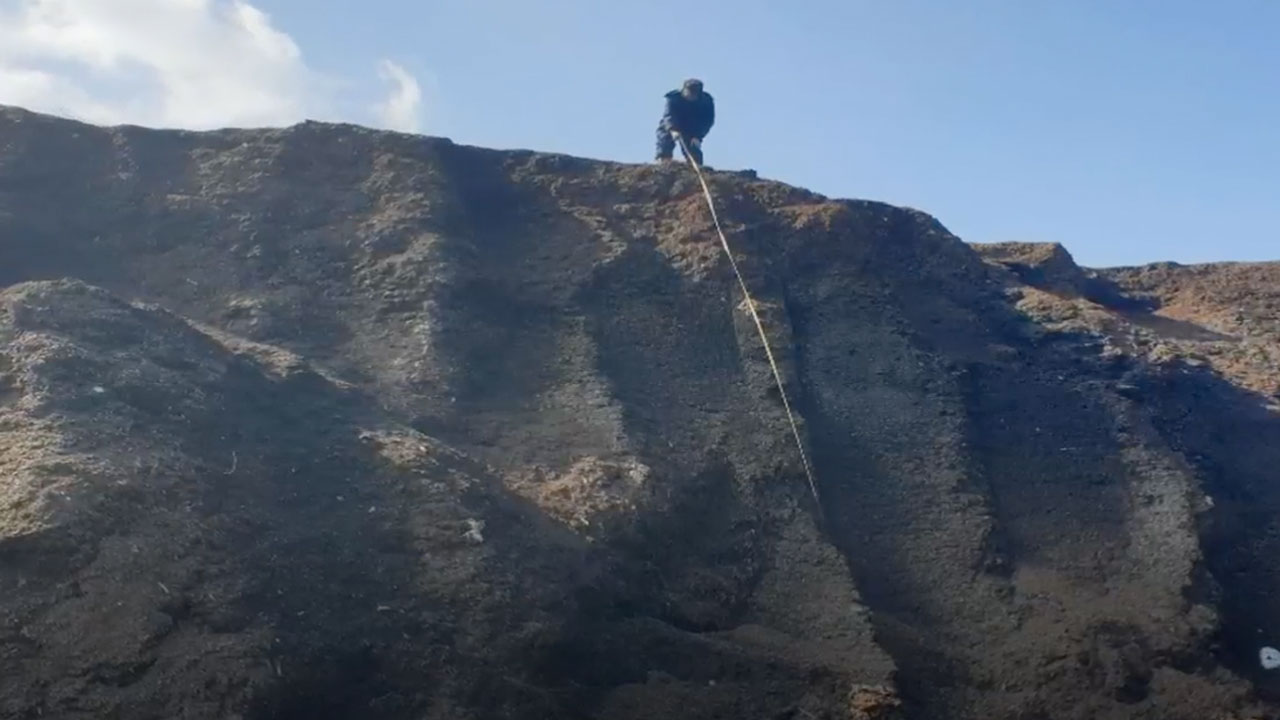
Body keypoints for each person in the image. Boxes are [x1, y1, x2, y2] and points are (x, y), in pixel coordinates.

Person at [655, 78, 715, 166]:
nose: (690, 97)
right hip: (672, 124)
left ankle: (695, 164)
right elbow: (669, 115)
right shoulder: (673, 98)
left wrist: (698, 136)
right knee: (665, 137)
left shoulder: (706, 102)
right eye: (689, 94)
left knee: (692, 146)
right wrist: (673, 129)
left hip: (692, 126)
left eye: (693, 95)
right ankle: (663, 159)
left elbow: (707, 121)